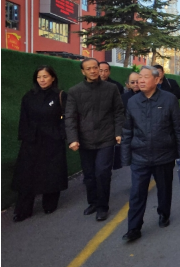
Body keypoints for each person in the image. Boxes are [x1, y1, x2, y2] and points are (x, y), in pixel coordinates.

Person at [121, 66, 180, 242]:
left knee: (164, 189)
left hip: (164, 155)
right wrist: (126, 157)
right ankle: (133, 228)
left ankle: (164, 213)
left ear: (157, 80)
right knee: (137, 193)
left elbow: (179, 129)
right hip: (140, 156)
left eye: (145, 77)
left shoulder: (169, 99)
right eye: (139, 77)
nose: (141, 80)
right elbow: (127, 130)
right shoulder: (133, 102)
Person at [65, 58, 125, 221]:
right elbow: (70, 117)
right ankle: (92, 202)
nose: (92, 71)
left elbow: (119, 112)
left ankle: (102, 207)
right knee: (89, 174)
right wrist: (73, 138)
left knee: (102, 172)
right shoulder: (75, 91)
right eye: (88, 68)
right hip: (85, 140)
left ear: (99, 69)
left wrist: (118, 132)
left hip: (106, 138)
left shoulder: (111, 88)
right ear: (83, 72)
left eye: (95, 67)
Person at [11, 66, 68, 222]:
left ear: (53, 78)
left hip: (52, 141)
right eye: (39, 77)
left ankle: (49, 204)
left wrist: (60, 135)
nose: (42, 80)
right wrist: (26, 137)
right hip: (32, 141)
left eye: (45, 76)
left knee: (52, 172)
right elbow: (24, 118)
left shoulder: (60, 95)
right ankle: (23, 210)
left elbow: (67, 117)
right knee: (26, 175)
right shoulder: (28, 96)